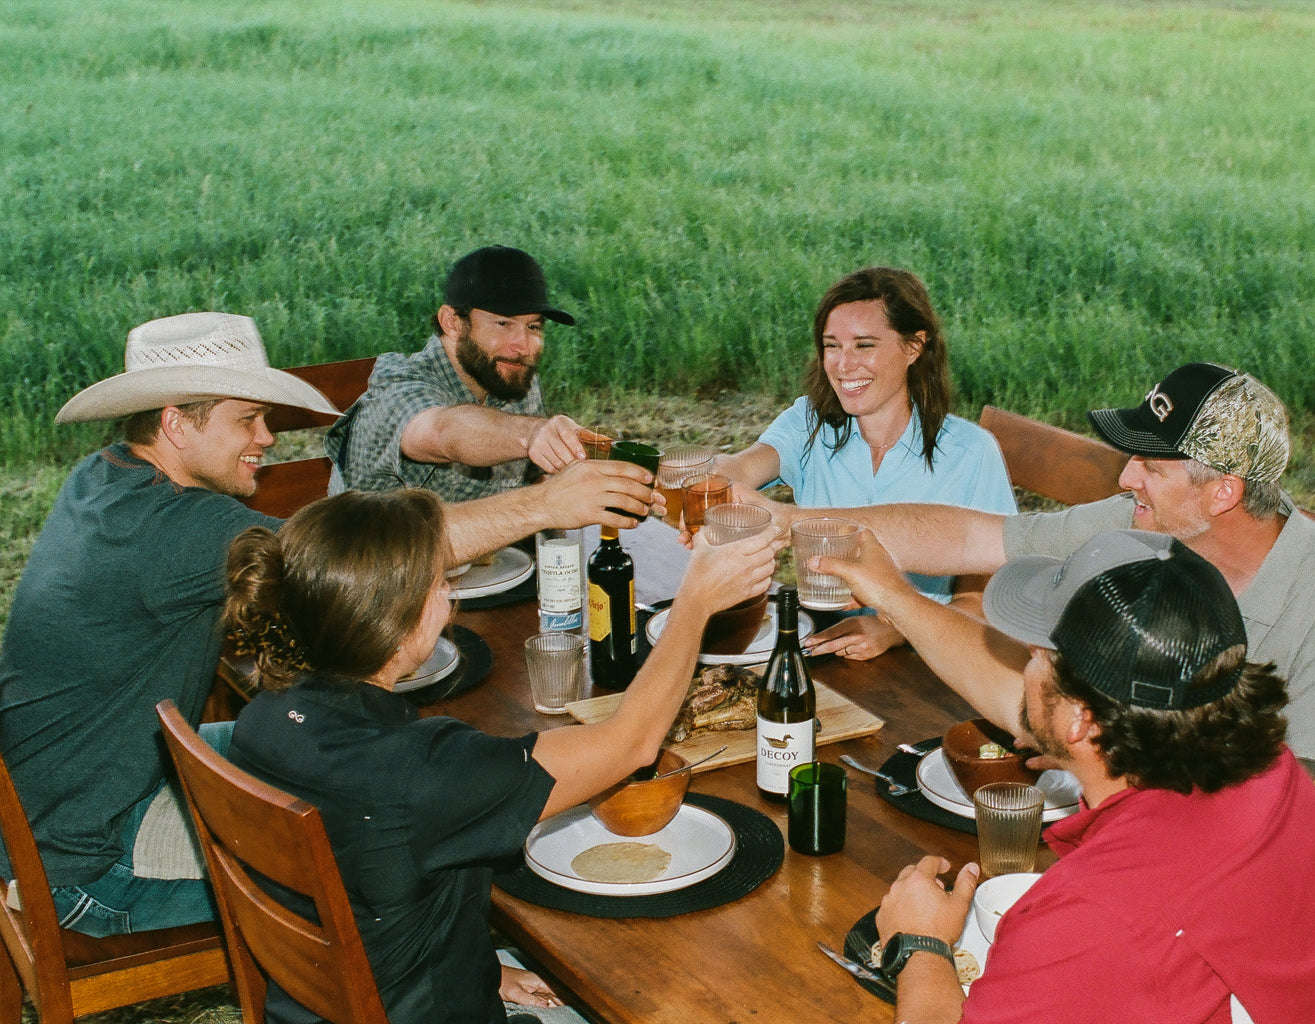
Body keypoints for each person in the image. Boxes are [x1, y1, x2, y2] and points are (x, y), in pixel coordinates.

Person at [0, 311, 656, 937]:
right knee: (397, 850)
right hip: (93, 861)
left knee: (363, 777)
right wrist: (545, 502)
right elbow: (360, 564)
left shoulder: (106, 480)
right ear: (175, 424)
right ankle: (473, 965)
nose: (266, 438)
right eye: (250, 419)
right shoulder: (176, 528)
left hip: (84, 795)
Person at [223, 488, 778, 1023]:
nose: (451, 597)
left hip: (350, 998)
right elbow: (631, 744)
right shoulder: (423, 770)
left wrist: (480, 971)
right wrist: (695, 604)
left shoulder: (264, 719)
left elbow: (370, 881)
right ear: (395, 624)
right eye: (440, 582)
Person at [872, 530, 1315, 1024]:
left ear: (1081, 719)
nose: (1023, 666)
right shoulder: (1266, 766)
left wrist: (920, 944)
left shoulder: (1095, 916)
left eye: (1035, 656)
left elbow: (1121, 927)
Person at [777, 362, 1315, 777]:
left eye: (1151, 466)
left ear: (1223, 493)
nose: (1126, 479)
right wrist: (793, 521)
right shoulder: (1143, 519)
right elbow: (971, 536)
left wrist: (1099, 761)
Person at [715, 267, 1015, 660]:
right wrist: (714, 480)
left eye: (864, 345)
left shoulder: (972, 453)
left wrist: (893, 630)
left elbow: (980, 603)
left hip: (930, 661)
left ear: (913, 347)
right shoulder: (809, 422)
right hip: (826, 642)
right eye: (832, 345)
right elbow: (741, 467)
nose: (843, 365)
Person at [325, 245, 600, 499]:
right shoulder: (397, 384)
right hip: (378, 549)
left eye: (533, 327)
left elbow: (536, 480)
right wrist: (531, 434)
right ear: (452, 322)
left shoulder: (509, 376)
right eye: (504, 324)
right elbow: (440, 431)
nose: (524, 347)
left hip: (485, 550)